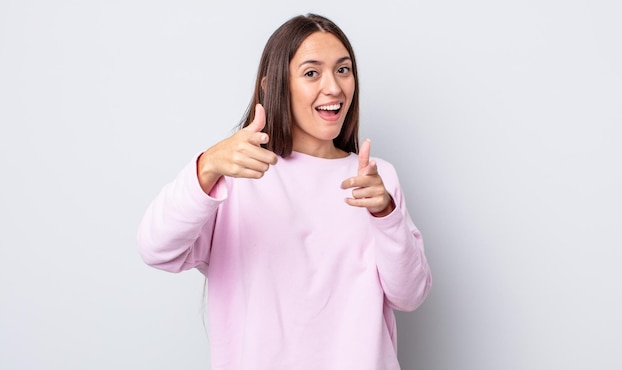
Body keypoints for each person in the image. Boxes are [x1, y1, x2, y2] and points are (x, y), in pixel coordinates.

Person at [137, 13, 431, 370]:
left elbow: (410, 295)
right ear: (273, 86)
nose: (335, 88)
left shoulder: (375, 179)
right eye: (311, 73)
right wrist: (207, 166)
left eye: (343, 69)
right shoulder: (238, 173)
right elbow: (156, 248)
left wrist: (386, 214)